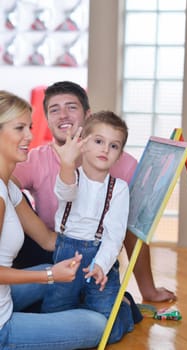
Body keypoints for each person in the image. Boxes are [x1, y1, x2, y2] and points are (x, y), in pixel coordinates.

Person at [12, 80, 176, 302]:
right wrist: (46, 238)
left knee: (119, 308)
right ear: (48, 120)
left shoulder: (123, 164)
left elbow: (132, 231)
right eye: (54, 110)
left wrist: (149, 290)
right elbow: (5, 185)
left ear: (88, 115)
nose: (63, 115)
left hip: (96, 252)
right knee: (11, 192)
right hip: (50, 249)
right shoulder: (36, 159)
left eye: (71, 107)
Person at [0, 90, 107, 350]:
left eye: (30, 127)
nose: (29, 136)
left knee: (51, 272)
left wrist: (98, 252)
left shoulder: (9, 188)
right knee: (97, 325)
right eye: (19, 128)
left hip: (4, 297)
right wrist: (50, 275)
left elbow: (49, 240)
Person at [41, 111, 142, 343]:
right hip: (66, 256)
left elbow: (114, 236)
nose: (105, 149)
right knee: (51, 315)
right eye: (98, 141)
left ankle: (125, 308)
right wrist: (67, 162)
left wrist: (100, 265)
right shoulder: (70, 176)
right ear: (82, 144)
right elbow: (65, 191)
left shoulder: (119, 189)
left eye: (113, 145)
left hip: (99, 259)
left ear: (119, 156)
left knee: (109, 332)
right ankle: (80, 312)